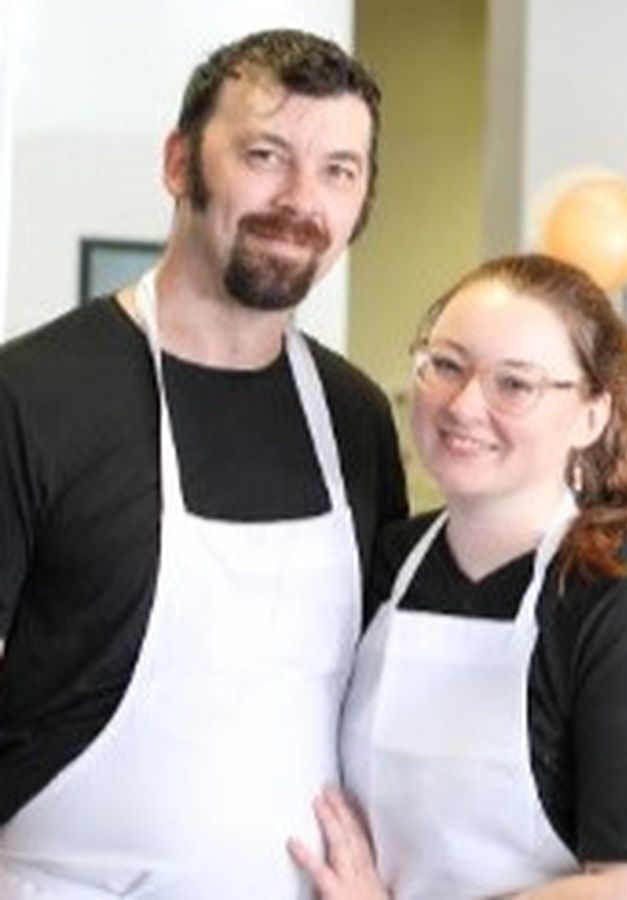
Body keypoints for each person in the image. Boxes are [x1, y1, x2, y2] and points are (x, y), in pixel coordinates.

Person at [0, 28, 407, 897]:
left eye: (338, 170)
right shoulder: (29, 396)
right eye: (265, 155)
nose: (300, 200)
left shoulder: (357, 418)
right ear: (180, 162)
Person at [290, 253, 627, 899]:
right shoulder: (385, 564)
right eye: (447, 365)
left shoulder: (617, 608)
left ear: (592, 415)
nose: (465, 404)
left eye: (514, 384)